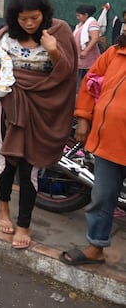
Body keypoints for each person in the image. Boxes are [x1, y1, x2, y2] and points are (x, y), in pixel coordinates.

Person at [0, 0, 78, 250]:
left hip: (43, 108)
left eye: (34, 18)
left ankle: (24, 224)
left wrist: (54, 52)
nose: (29, 23)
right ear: (15, 18)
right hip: (10, 107)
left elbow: (67, 73)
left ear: (44, 15)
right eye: (23, 19)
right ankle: (3, 209)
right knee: (9, 160)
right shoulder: (6, 37)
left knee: (32, 167)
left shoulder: (57, 33)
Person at [60, 32, 126, 267]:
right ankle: (96, 247)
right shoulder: (113, 54)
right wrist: (84, 118)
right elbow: (90, 83)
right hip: (108, 143)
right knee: (102, 197)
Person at [73, 4, 101, 82]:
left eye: (79, 16)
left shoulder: (92, 23)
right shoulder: (81, 25)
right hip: (80, 56)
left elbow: (95, 38)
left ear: (86, 15)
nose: (77, 18)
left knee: (91, 77)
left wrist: (85, 51)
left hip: (89, 56)